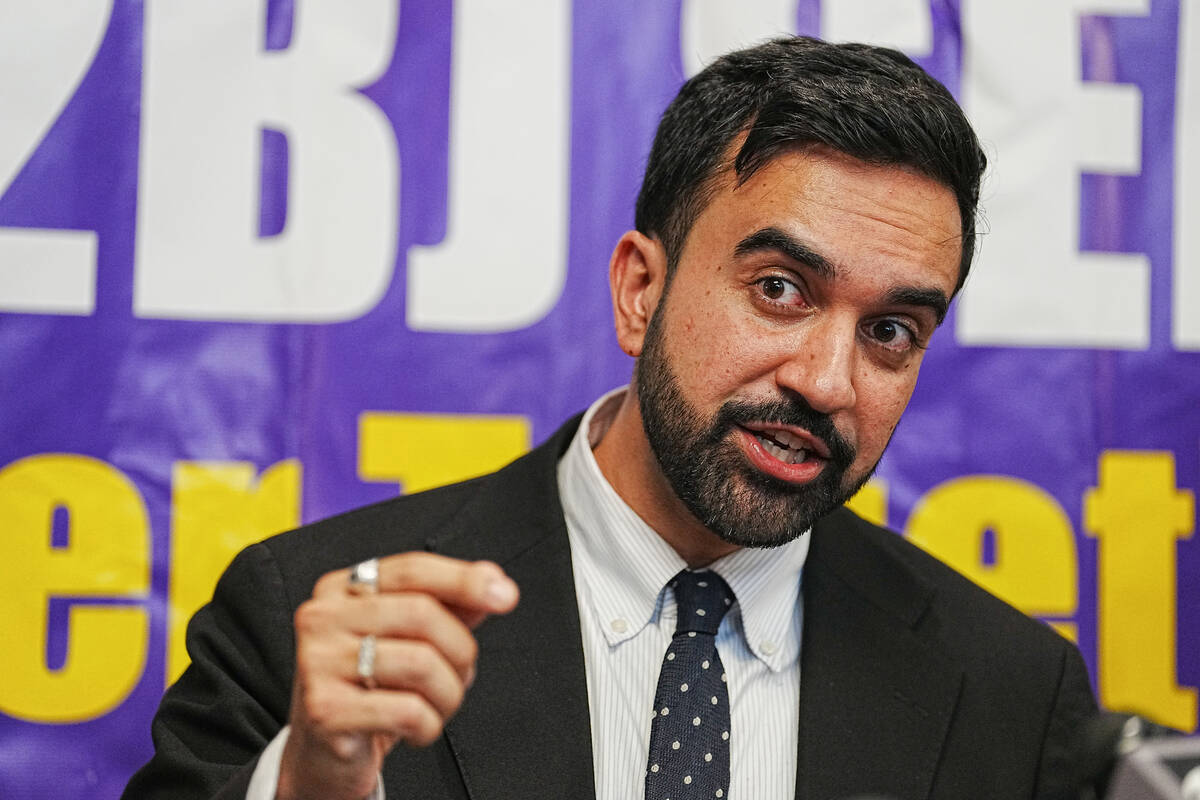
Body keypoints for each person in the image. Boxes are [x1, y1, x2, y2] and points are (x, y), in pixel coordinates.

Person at [123, 36, 1097, 800]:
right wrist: (308, 784)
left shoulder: (1010, 694)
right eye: (780, 288)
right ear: (640, 288)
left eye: (891, 329)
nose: (829, 381)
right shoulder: (304, 620)